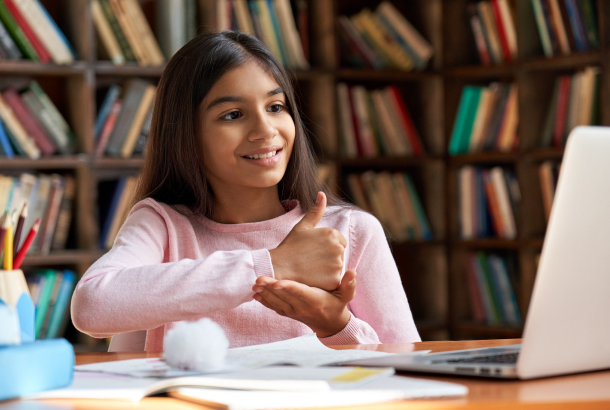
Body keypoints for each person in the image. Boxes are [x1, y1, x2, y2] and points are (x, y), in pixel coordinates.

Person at [71, 31, 420, 352]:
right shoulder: (163, 225)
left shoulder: (351, 231)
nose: (265, 130)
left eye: (275, 107)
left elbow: (409, 371)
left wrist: (335, 326)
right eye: (233, 114)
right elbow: (92, 307)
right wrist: (273, 264)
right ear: (187, 137)